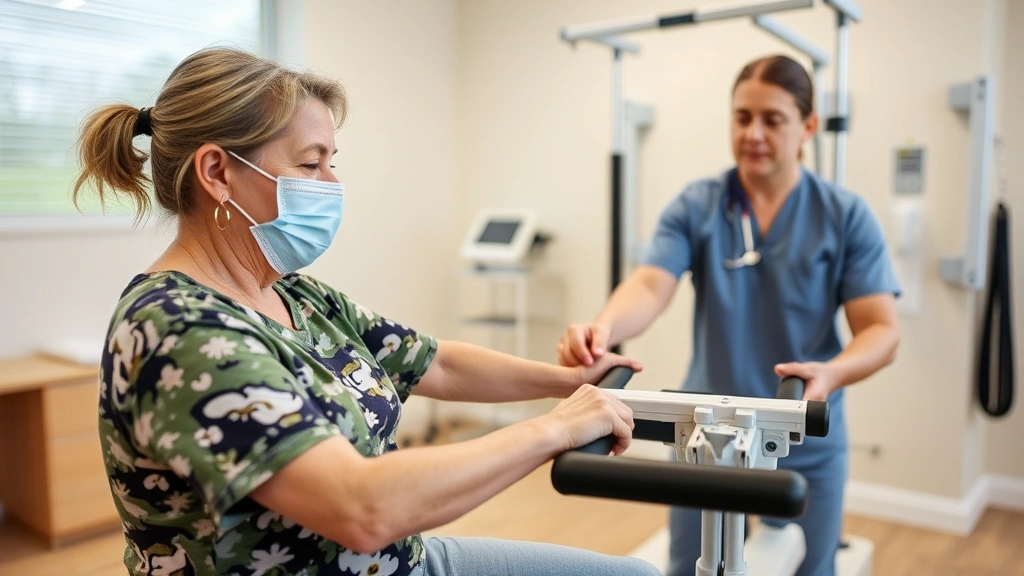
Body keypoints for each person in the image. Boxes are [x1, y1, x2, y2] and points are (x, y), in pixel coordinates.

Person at [79, 47, 661, 576]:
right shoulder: (177, 330)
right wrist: (557, 428)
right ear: (216, 173)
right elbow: (361, 507)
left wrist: (566, 381)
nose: (332, 184)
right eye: (310, 165)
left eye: (332, 161)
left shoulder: (295, 295)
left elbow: (439, 365)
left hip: (395, 563)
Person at [556, 54, 901, 576]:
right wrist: (605, 326)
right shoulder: (698, 205)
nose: (754, 133)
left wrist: (832, 373)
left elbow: (881, 328)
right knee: (689, 566)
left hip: (803, 431)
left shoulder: (844, 216)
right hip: (705, 431)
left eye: (772, 119)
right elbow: (650, 284)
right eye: (742, 118)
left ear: (808, 126)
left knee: (815, 567)